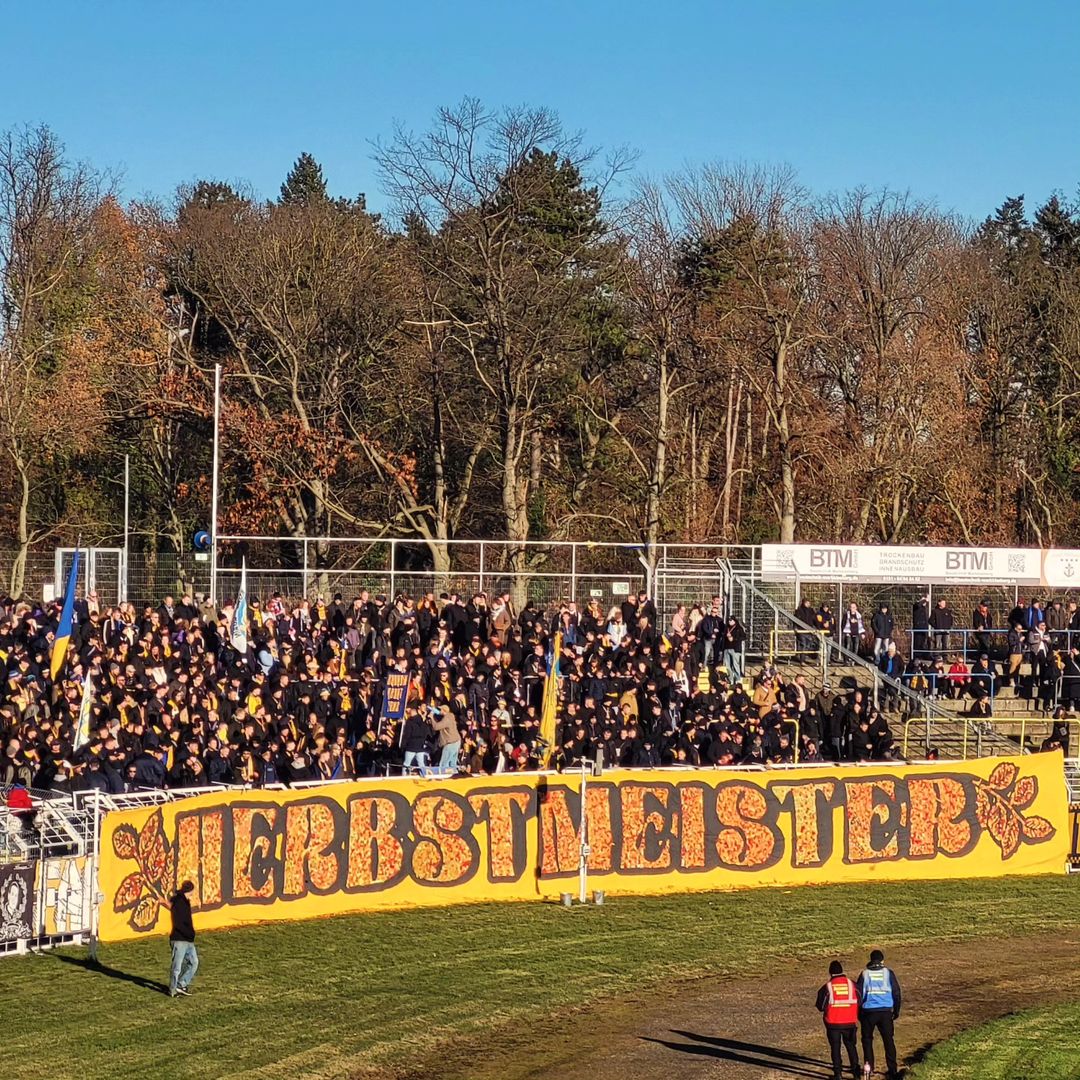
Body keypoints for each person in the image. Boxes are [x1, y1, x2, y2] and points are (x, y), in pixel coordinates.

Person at [856, 948, 901, 1080]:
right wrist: (896, 1010)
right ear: (882, 960)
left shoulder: (864, 974)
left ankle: (868, 1070)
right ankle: (892, 1070)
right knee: (888, 1041)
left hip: (868, 1012)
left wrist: (859, 1013)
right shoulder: (888, 973)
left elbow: (859, 995)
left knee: (867, 1041)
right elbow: (896, 993)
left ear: (871, 960)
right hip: (886, 1012)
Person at [816, 959, 861, 1080]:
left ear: (830, 973)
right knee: (851, 1047)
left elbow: (820, 1006)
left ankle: (838, 1074)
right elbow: (860, 1000)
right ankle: (856, 1072)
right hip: (850, 1022)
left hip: (833, 1023)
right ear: (842, 971)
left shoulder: (827, 987)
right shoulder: (852, 985)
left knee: (835, 1048)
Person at [162, 880, 199, 998]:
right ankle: (172, 990)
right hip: (179, 939)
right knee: (176, 967)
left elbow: (170, 906)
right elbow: (178, 919)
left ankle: (181, 984)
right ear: (189, 890)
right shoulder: (179, 902)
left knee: (194, 963)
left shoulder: (182, 901)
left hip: (188, 939)